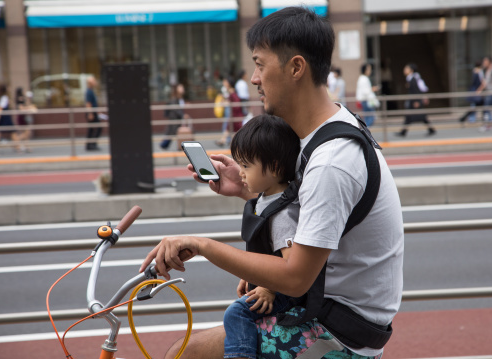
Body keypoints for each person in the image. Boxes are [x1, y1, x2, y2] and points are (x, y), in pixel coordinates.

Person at [141, 7, 403, 359]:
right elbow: (303, 205)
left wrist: (202, 245)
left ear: (296, 68)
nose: (253, 78)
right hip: (329, 310)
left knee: (184, 353)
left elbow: (295, 277)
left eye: (260, 65)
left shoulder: (331, 163)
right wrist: (249, 188)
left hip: (339, 333)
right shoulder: (326, 130)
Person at [224, 114, 300, 359]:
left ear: (275, 167)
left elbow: (291, 263)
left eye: (246, 166)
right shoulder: (268, 198)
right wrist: (252, 276)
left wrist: (267, 287)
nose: (241, 173)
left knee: (237, 313)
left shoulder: (283, 214)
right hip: (272, 284)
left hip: (284, 291)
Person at [396, 63, 436, 137]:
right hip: (414, 100)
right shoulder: (412, 78)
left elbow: (416, 91)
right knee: (412, 116)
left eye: (406, 68)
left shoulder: (413, 79)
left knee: (420, 116)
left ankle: (404, 131)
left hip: (415, 100)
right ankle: (403, 131)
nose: (404, 70)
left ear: (411, 70)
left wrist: (417, 101)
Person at [0, 84, 23, 155]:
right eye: (8, 88)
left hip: (4, 117)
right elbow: (0, 108)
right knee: (12, 132)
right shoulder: (4, 97)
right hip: (5, 118)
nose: (9, 89)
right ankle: (17, 147)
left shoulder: (1, 97)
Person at [159, 83, 188, 150]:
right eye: (181, 88)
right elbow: (176, 108)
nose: (182, 89)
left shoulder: (180, 98)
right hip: (174, 119)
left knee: (171, 133)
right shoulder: (175, 98)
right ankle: (163, 145)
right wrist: (182, 115)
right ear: (177, 90)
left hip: (177, 119)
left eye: (182, 88)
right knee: (171, 133)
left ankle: (166, 145)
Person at [476, 56, 492, 132]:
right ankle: (489, 124)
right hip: (490, 92)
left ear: (490, 61)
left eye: (485, 61)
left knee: (486, 107)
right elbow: (485, 83)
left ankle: (488, 125)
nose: (484, 62)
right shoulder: (486, 71)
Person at [85, 75, 102, 151]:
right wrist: (90, 113)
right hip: (91, 113)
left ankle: (90, 145)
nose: (95, 82)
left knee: (92, 129)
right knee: (98, 128)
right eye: (94, 81)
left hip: (93, 112)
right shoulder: (89, 91)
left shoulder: (91, 90)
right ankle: (91, 144)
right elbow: (88, 103)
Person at [215, 77, 232, 147]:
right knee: (227, 123)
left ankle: (225, 139)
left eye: (225, 82)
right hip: (226, 107)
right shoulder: (224, 89)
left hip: (229, 108)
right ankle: (225, 139)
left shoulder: (230, 90)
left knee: (228, 123)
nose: (224, 83)